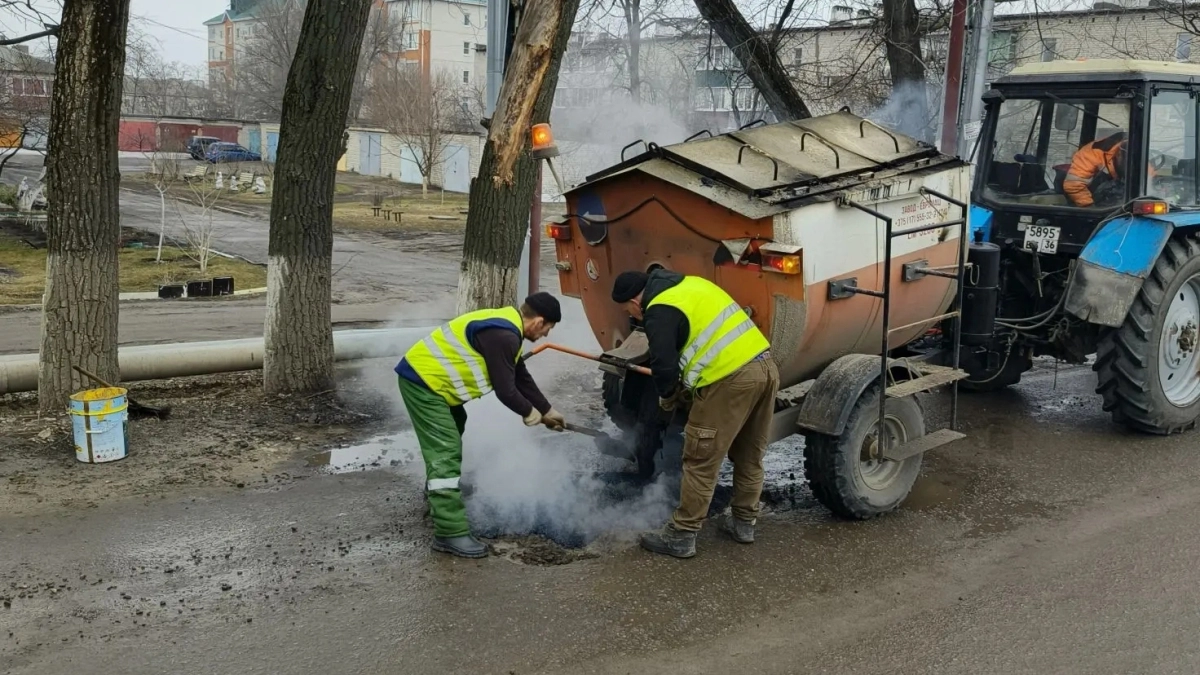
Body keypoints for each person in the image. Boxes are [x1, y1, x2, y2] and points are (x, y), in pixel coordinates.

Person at [611, 268, 780, 559]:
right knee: (750, 454)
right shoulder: (692, 285)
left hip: (729, 380)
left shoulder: (658, 309)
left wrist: (668, 397)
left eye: (629, 311)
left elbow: (664, 365)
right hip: (765, 368)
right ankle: (744, 523)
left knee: (700, 458)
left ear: (635, 302)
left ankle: (682, 534)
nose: (634, 316)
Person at [396, 292, 567, 559]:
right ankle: (449, 532)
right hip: (424, 384)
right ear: (539, 321)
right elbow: (506, 390)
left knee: (455, 426)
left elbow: (520, 376)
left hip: (436, 386)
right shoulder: (504, 336)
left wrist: (547, 410)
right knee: (445, 449)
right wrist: (529, 413)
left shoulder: (507, 326)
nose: (546, 335)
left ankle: (440, 490)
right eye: (548, 329)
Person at [1063, 131, 1130, 207]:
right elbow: (1074, 184)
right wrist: (1089, 207)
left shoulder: (1144, 153)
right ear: (1119, 153)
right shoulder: (1092, 152)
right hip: (1095, 199)